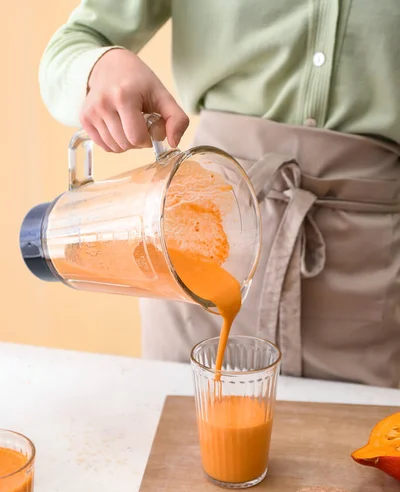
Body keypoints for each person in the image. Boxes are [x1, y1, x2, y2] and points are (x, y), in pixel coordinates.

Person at [39, 1, 400, 388]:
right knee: (182, 438)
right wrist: (103, 66)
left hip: (373, 273)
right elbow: (70, 47)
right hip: (199, 242)